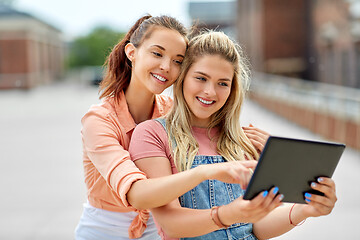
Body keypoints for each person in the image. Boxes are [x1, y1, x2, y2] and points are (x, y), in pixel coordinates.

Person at [128, 31, 338, 239]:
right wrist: (228, 214)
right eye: (201, 78)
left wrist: (306, 210)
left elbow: (256, 227)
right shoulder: (152, 134)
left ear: (232, 88)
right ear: (182, 78)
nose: (210, 91)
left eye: (223, 83)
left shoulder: (245, 142)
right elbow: (170, 226)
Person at [75, 15, 269, 240]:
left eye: (177, 60)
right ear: (132, 53)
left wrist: (252, 145)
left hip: (160, 230)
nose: (166, 67)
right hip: (107, 231)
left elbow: (212, 132)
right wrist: (206, 172)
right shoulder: (99, 120)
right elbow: (137, 193)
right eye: (157, 54)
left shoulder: (172, 112)